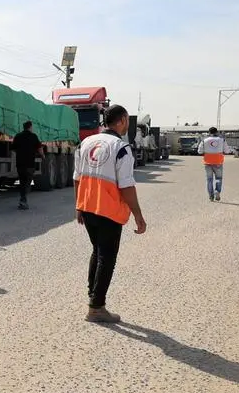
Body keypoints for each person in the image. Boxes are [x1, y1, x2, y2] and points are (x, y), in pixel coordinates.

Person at [73, 105, 146, 323]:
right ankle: (96, 307)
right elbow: (126, 186)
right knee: (107, 257)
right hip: (108, 210)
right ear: (123, 120)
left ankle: (93, 297)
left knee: (98, 252)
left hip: (88, 207)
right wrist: (138, 215)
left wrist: (79, 206)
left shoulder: (85, 143)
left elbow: (77, 177)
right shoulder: (121, 147)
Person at [11, 120, 44, 210]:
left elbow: (13, 149)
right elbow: (40, 148)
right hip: (30, 164)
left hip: (20, 163)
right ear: (30, 127)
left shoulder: (18, 136)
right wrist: (42, 156)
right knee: (27, 182)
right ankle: (23, 200)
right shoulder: (33, 136)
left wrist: (20, 153)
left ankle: (22, 200)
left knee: (22, 182)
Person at [197, 127, 226, 202]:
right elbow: (227, 150)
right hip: (218, 162)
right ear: (217, 132)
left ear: (209, 133)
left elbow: (199, 151)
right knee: (218, 178)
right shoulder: (222, 140)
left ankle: (211, 196)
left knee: (209, 180)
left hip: (208, 162)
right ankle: (217, 191)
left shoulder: (204, 140)